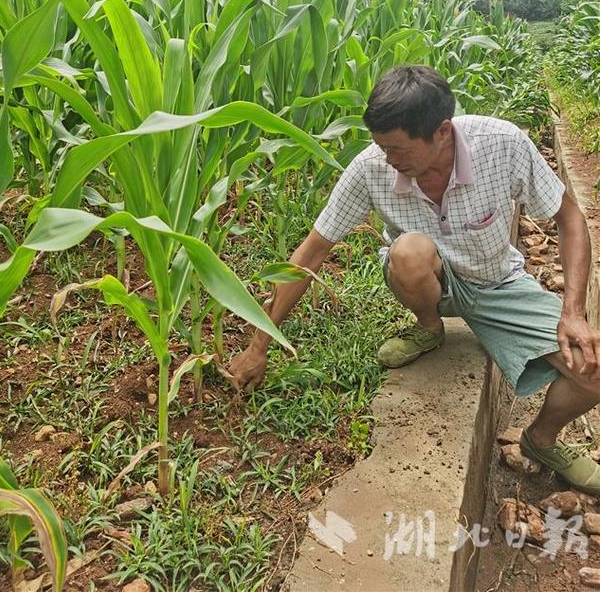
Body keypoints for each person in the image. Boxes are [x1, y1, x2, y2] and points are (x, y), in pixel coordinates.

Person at [229, 64, 600, 494]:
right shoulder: (372, 167)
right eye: (380, 146)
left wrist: (573, 311)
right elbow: (312, 251)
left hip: (498, 282)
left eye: (397, 149)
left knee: (593, 369)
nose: (387, 158)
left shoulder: (502, 145)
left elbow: (570, 217)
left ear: (442, 131)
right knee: (408, 252)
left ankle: (540, 440)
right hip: (429, 280)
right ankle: (429, 327)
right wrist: (259, 345)